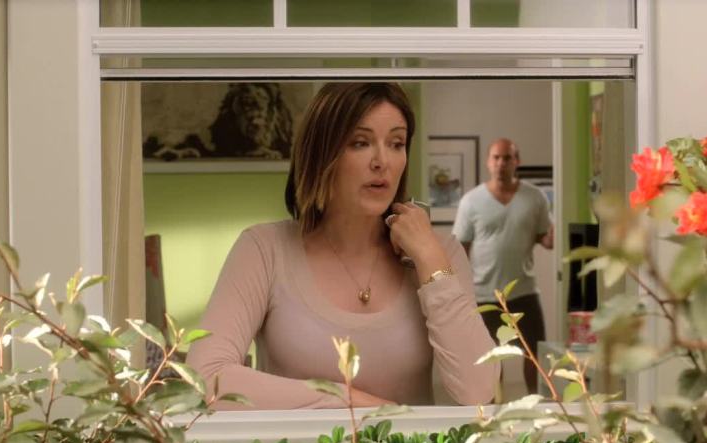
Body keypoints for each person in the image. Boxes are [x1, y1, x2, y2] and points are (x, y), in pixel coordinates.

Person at [187, 83, 499, 410]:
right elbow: (205, 379)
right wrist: (345, 400)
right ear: (321, 154)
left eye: (396, 143)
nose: (382, 161)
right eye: (360, 143)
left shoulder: (440, 253)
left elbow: (478, 392)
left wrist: (431, 260)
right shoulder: (264, 250)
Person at [452, 138, 553, 394]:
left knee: (533, 353)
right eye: (496, 157)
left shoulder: (535, 198)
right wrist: (460, 290)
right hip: (485, 294)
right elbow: (460, 249)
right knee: (491, 358)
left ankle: (534, 402)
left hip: (524, 291)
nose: (501, 163)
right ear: (488, 162)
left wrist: (559, 227)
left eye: (507, 158)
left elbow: (547, 238)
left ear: (516, 161)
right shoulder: (471, 201)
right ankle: (493, 407)